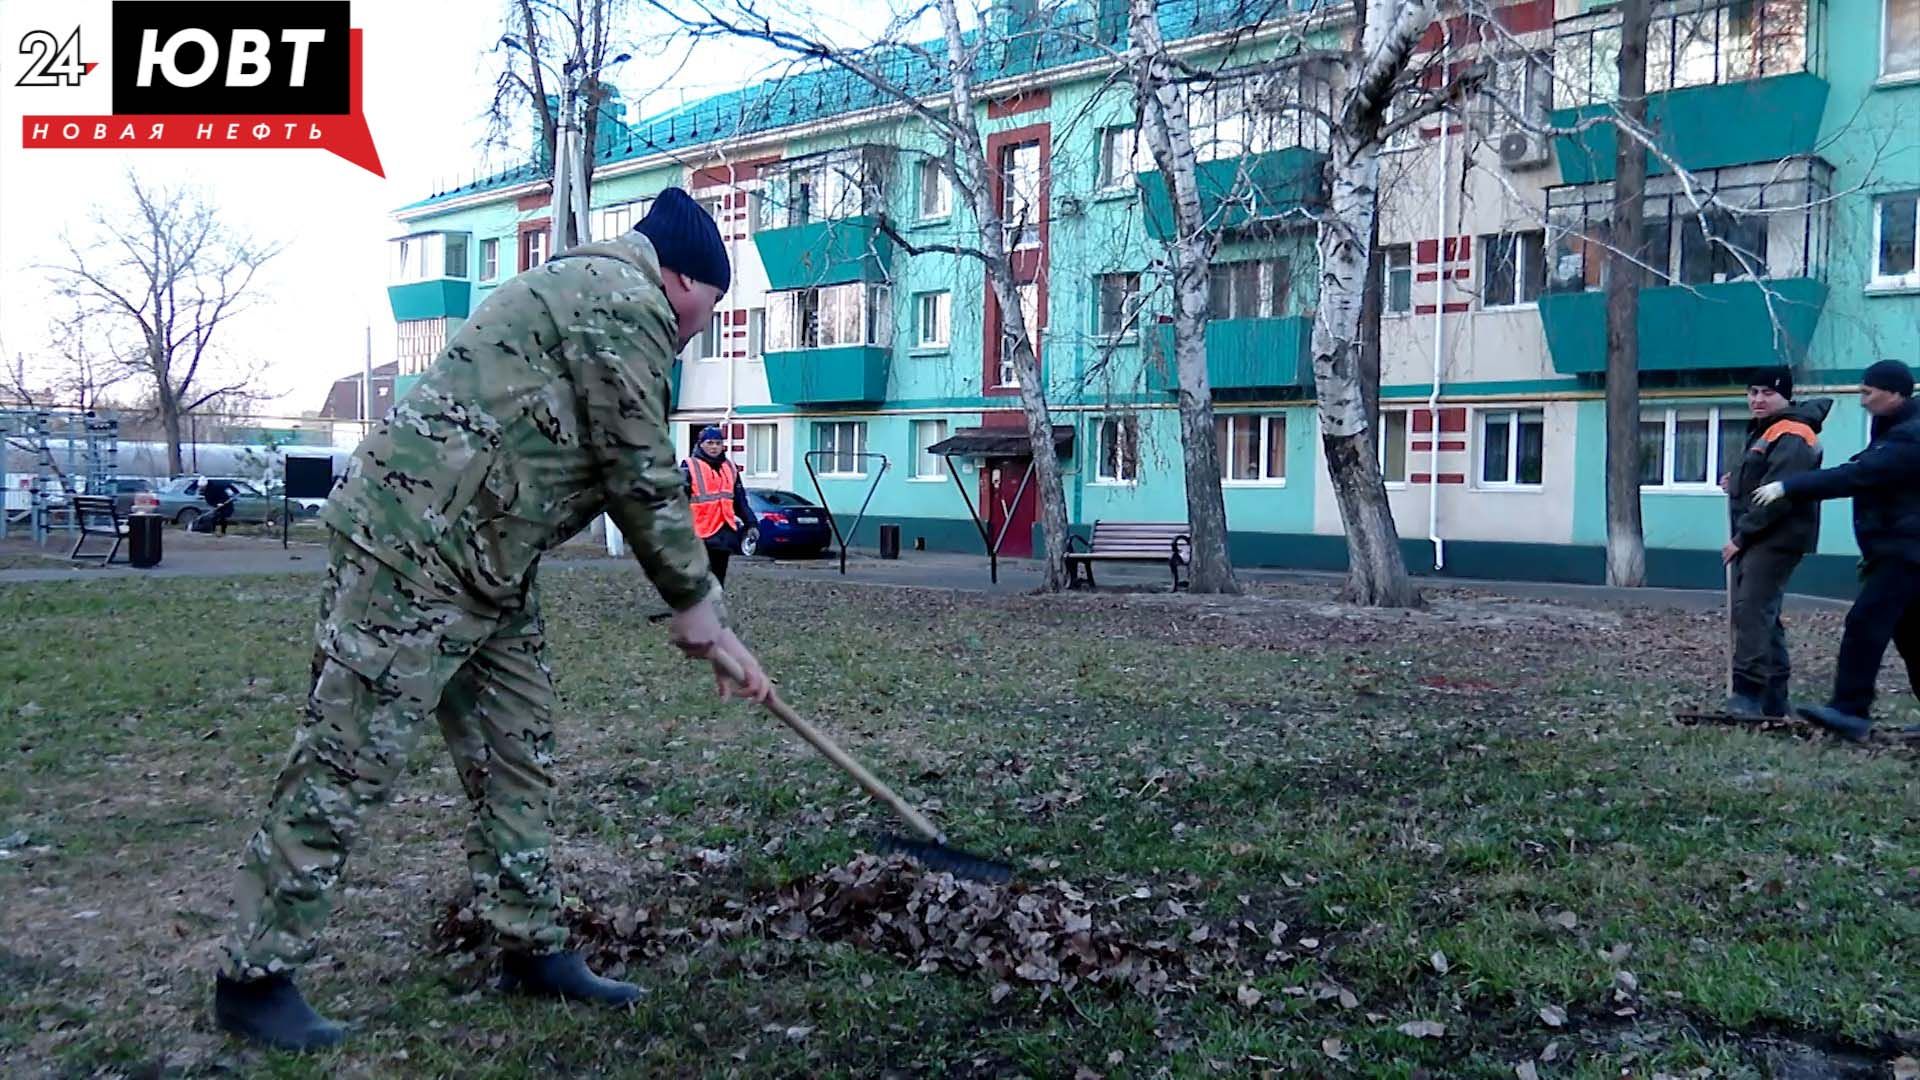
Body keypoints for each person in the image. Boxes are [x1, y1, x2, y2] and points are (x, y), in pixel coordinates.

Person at [212, 188, 774, 1052]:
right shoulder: (618, 301)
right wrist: (698, 607)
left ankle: (529, 945)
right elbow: (638, 465)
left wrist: (712, 621)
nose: (697, 332)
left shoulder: (601, 301)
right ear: (681, 279)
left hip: (491, 560)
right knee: (349, 757)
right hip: (416, 549)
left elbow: (613, 463)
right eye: (707, 310)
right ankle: (253, 977)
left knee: (519, 749)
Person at [1752, 359, 1920, 741]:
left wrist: (1789, 487)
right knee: (1912, 635)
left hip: (1907, 551)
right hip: (1899, 548)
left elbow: (1860, 475)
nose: (1862, 400)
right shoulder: (1896, 430)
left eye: (1867, 392)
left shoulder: (1911, 436)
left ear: (1894, 393)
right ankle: (1851, 709)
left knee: (1865, 622)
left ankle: (1850, 710)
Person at [1719, 367, 1831, 718]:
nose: (1757, 399)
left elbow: (1778, 493)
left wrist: (1742, 536)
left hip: (1775, 537)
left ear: (1785, 396)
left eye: (1767, 392)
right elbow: (1762, 478)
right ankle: (1773, 697)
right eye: (1752, 392)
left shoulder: (1793, 431)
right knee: (1763, 613)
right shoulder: (1769, 431)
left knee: (1751, 609)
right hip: (1763, 535)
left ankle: (1749, 694)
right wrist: (1735, 480)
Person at [681, 425, 756, 585]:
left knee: (718, 579)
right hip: (698, 533)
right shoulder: (689, 467)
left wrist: (751, 523)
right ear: (700, 444)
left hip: (723, 531)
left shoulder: (730, 468)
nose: (714, 447)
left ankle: (714, 607)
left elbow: (740, 500)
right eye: (710, 443)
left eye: (718, 443)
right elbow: (678, 501)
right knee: (698, 579)